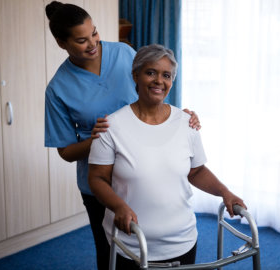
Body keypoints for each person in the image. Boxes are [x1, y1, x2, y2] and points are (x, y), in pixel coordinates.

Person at [44, 2, 200, 270]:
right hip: (101, 183)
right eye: (82, 40)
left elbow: (156, 92)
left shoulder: (125, 53)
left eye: (94, 33)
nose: (93, 43)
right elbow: (65, 152)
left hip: (147, 171)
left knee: (158, 251)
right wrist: (100, 139)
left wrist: (179, 116)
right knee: (112, 255)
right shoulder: (58, 88)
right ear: (61, 43)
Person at [88, 44, 246, 269]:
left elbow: (197, 171)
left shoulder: (187, 123)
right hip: (132, 241)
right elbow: (97, 179)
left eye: (166, 75)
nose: (158, 81)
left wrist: (225, 192)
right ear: (136, 75)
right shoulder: (111, 126)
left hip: (181, 240)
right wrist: (119, 206)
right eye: (150, 72)